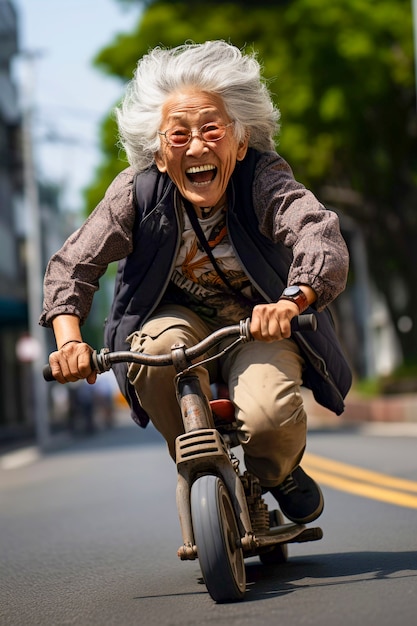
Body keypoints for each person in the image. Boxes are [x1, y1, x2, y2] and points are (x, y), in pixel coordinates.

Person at [41, 41, 351, 524]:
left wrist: (292, 302)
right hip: (174, 325)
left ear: (240, 141)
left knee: (270, 417)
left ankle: (278, 472)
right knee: (159, 352)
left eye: (211, 128)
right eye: (178, 135)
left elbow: (318, 232)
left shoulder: (262, 178)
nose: (198, 146)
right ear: (160, 154)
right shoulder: (136, 192)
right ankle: (195, 454)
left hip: (259, 324)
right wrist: (69, 343)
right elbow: (72, 265)